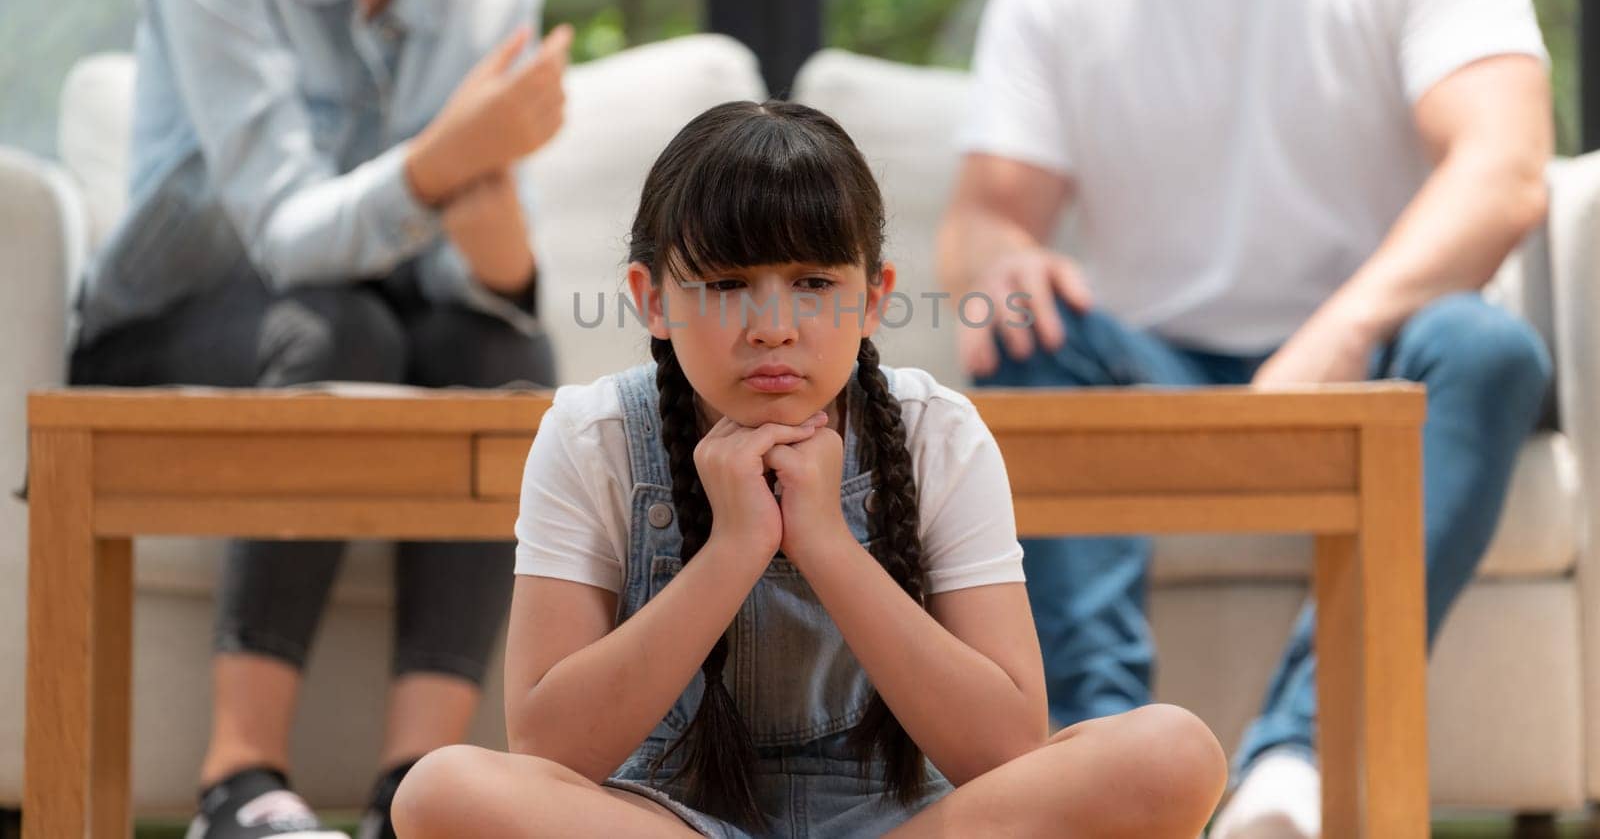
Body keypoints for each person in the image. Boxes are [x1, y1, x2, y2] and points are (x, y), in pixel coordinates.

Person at [937, 0, 1555, 836]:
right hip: (1150, 371)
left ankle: (1290, 765)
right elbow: (983, 216)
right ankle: (1106, 758)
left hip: (1370, 357)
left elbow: (1502, 171)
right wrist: (1000, 261)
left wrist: (1344, 330)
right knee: (1023, 337)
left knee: (1488, 346)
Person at [388, 100, 1228, 838]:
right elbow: (550, 750)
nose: (773, 326)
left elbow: (1004, 747)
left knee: (1170, 754)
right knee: (439, 792)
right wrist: (734, 549)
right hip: (668, 817)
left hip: (906, 818)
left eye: (815, 281)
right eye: (724, 284)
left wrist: (825, 539)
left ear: (874, 297)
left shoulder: (941, 433)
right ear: (650, 298)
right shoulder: (591, 436)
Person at [65, 0, 571, 834]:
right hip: (173, 325)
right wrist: (440, 165)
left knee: (498, 350)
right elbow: (286, 232)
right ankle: (237, 780)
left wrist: (502, 270)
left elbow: (444, 266)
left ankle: (413, 790)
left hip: (374, 322)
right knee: (339, 325)